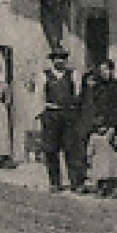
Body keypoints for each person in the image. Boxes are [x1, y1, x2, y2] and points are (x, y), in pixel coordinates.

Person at [37, 49, 87, 192]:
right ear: (52, 60)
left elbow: (78, 94)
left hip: (68, 115)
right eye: (56, 58)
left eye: (63, 58)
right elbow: (39, 96)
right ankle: (55, 182)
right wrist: (41, 114)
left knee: (71, 148)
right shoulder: (44, 76)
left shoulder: (73, 75)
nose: (60, 61)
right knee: (51, 149)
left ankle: (76, 182)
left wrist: (75, 113)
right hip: (51, 114)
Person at [86, 120, 117, 197]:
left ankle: (116, 190)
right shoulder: (94, 137)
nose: (102, 129)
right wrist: (89, 157)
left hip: (110, 157)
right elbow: (90, 148)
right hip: (99, 158)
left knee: (113, 174)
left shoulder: (109, 135)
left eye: (104, 127)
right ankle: (101, 190)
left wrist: (112, 137)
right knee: (101, 175)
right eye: (100, 127)